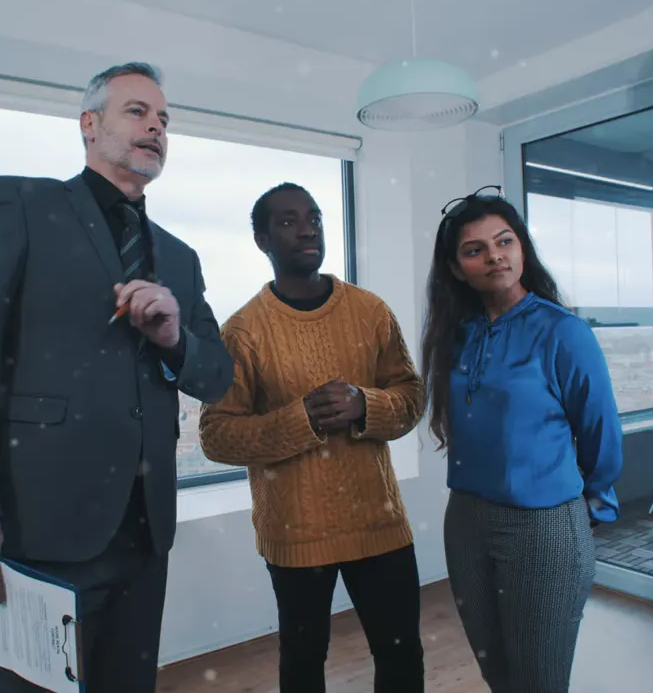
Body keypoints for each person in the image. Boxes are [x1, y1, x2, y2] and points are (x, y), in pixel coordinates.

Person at [0, 62, 234, 693]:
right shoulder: (20, 205)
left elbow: (217, 377)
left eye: (164, 120)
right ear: (89, 125)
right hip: (38, 527)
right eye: (137, 111)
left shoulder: (180, 257)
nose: (156, 126)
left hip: (144, 535)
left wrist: (175, 338)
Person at [198, 182, 427, 693]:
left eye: (315, 218)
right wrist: (303, 421)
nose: (306, 229)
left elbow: (412, 396)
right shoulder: (244, 331)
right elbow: (216, 435)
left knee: (402, 658)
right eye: (288, 221)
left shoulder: (371, 312)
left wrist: (367, 404)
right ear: (262, 240)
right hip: (296, 533)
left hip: (378, 522)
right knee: (303, 666)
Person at [419, 188, 623, 693]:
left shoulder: (563, 332)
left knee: (538, 681)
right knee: (498, 675)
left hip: (544, 526)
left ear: (522, 249)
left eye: (504, 241)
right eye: (475, 249)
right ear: (455, 267)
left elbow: (600, 430)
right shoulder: (455, 334)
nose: (494, 255)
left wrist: (589, 506)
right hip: (465, 521)